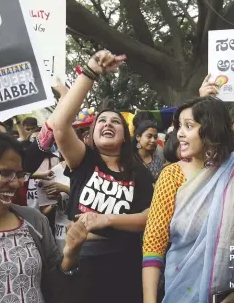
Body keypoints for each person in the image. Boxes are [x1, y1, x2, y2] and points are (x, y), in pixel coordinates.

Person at [142, 96, 234, 303]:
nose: (180, 134)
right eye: (179, 127)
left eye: (188, 126)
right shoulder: (171, 176)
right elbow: (153, 244)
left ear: (211, 128)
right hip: (181, 290)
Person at [51, 50, 154, 303]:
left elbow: (148, 217)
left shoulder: (138, 171)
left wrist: (105, 219)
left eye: (115, 122)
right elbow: (60, 125)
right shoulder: (84, 160)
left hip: (125, 262)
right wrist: (91, 72)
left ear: (124, 136)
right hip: (80, 257)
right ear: (92, 133)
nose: (107, 124)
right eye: (102, 121)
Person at [0, 132, 87, 303]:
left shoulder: (34, 220)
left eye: (19, 174)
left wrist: (70, 255)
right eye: (5, 173)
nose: (16, 183)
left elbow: (55, 282)